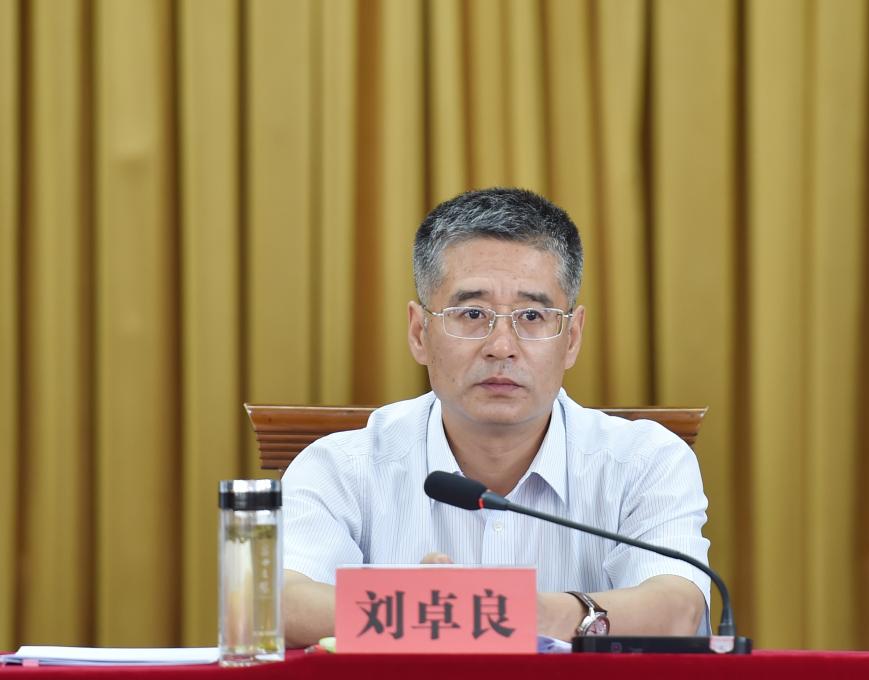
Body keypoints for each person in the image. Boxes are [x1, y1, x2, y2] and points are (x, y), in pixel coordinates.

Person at [281, 187, 711, 647]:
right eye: (471, 313)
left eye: (532, 316)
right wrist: (425, 608)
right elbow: (278, 602)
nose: (501, 346)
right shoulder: (343, 465)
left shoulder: (644, 460)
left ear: (571, 338)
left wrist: (526, 612)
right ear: (419, 332)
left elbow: (678, 608)